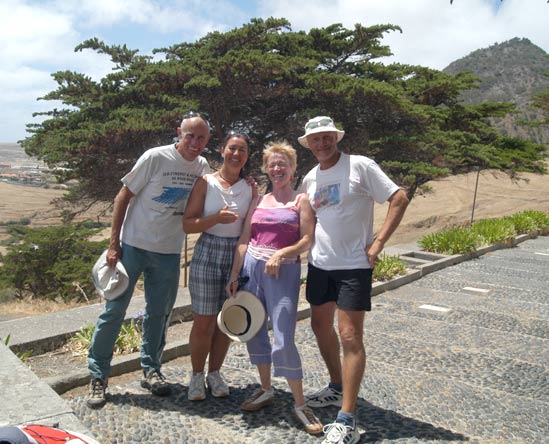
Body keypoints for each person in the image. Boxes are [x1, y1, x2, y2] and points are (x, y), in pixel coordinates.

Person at [86, 112, 211, 409]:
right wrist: (113, 243)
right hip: (133, 247)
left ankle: (151, 369)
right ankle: (98, 375)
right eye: (189, 135)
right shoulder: (155, 157)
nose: (194, 142)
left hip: (168, 252)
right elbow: (122, 197)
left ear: (207, 140)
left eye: (201, 137)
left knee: (159, 314)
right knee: (114, 311)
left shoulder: (202, 166)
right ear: (178, 133)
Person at [298, 116, 409, 444]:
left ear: (336, 137)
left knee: (349, 336)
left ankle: (346, 419)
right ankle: (335, 386)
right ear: (309, 144)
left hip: (353, 266)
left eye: (327, 137)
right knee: (320, 327)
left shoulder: (360, 166)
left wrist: (378, 243)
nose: (322, 143)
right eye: (316, 139)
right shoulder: (309, 178)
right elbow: (312, 219)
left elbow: (399, 197)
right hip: (320, 264)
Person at [226, 141, 323, 435]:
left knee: (284, 335)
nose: (277, 169)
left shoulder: (300, 200)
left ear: (293, 169)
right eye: (272, 164)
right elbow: (244, 238)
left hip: (284, 271)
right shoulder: (259, 200)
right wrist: (234, 274)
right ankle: (266, 388)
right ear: (267, 169)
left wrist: (281, 253)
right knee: (254, 331)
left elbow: (307, 239)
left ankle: (299, 402)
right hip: (252, 268)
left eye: (283, 164)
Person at [182, 131, 255, 401]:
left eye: (242, 150)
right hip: (208, 250)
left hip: (236, 255)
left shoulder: (250, 186)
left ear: (247, 156)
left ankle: (215, 372)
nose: (236, 154)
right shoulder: (206, 182)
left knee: (227, 321)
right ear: (222, 150)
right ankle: (197, 375)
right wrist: (215, 219)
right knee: (203, 321)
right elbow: (188, 224)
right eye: (232, 148)